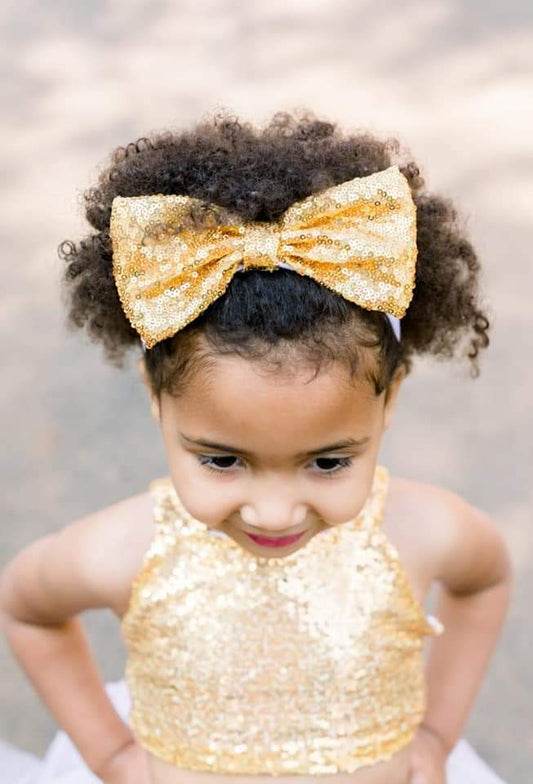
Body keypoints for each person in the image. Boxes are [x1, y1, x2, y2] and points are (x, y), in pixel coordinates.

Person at [0, 110, 512, 784]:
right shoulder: (122, 551)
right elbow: (28, 610)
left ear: (388, 401)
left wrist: (439, 735)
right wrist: (112, 754)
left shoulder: (423, 531)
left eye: (328, 462)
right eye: (221, 460)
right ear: (157, 398)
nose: (273, 513)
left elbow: (486, 580)